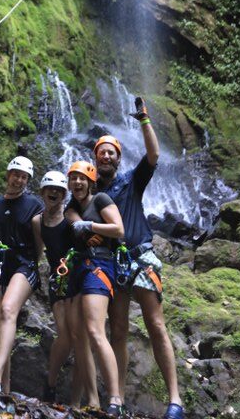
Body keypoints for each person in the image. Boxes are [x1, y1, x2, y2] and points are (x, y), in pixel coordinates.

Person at [93, 97, 184, 419]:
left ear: (118, 159)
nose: (106, 155)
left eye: (111, 152)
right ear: (95, 159)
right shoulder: (90, 193)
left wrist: (144, 120)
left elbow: (154, 155)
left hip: (141, 256)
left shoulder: (131, 180)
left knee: (156, 324)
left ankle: (175, 400)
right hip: (113, 264)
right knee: (117, 329)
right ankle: (116, 400)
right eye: (101, 152)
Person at [31, 170, 99, 407]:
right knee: (66, 335)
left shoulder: (71, 217)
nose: (54, 193)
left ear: (64, 194)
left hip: (78, 277)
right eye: (50, 189)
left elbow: (87, 236)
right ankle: (50, 383)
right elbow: (39, 252)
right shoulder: (37, 221)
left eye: (59, 191)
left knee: (80, 337)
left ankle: (75, 401)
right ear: (42, 192)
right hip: (57, 279)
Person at [65, 160, 125, 417]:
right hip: (78, 267)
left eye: (82, 179)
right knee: (79, 336)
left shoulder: (100, 199)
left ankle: (115, 399)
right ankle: (93, 400)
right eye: (74, 179)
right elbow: (71, 218)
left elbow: (118, 229)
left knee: (95, 330)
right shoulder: (71, 207)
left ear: (91, 182)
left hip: (99, 264)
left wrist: (90, 226)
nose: (78, 183)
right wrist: (79, 222)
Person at [0, 155, 43, 394]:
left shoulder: (34, 205)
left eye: (24, 177)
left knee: (8, 309)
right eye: (16, 175)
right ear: (8, 175)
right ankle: (3, 390)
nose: (19, 180)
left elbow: (39, 245)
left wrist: (33, 265)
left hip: (24, 263)